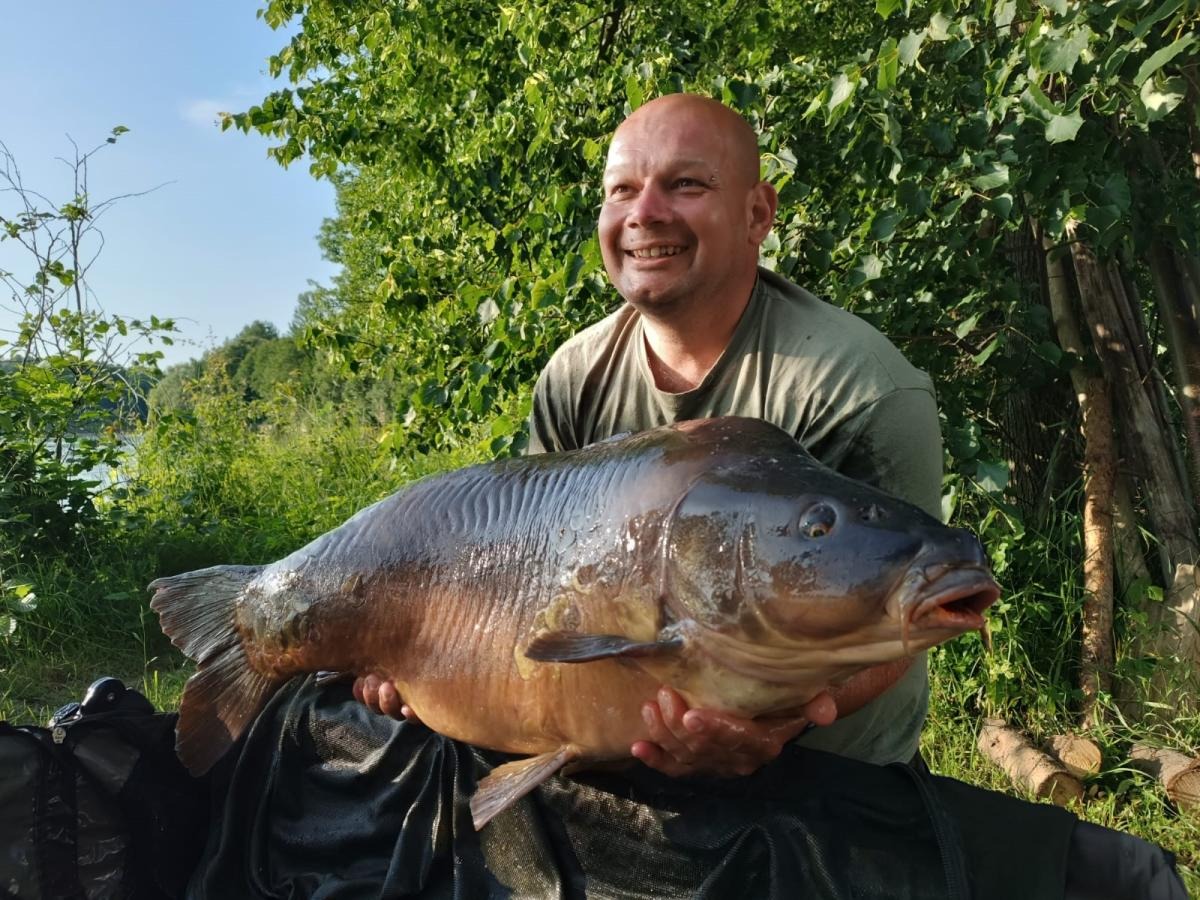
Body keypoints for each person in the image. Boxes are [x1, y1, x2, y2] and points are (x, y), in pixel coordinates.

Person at [356, 92, 943, 774]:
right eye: (622, 191)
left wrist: (774, 725)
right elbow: (522, 580)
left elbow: (904, 622)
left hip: (829, 780)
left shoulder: (859, 385)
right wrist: (420, 657)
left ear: (759, 213)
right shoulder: (576, 373)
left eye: (685, 184)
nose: (645, 214)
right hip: (619, 751)